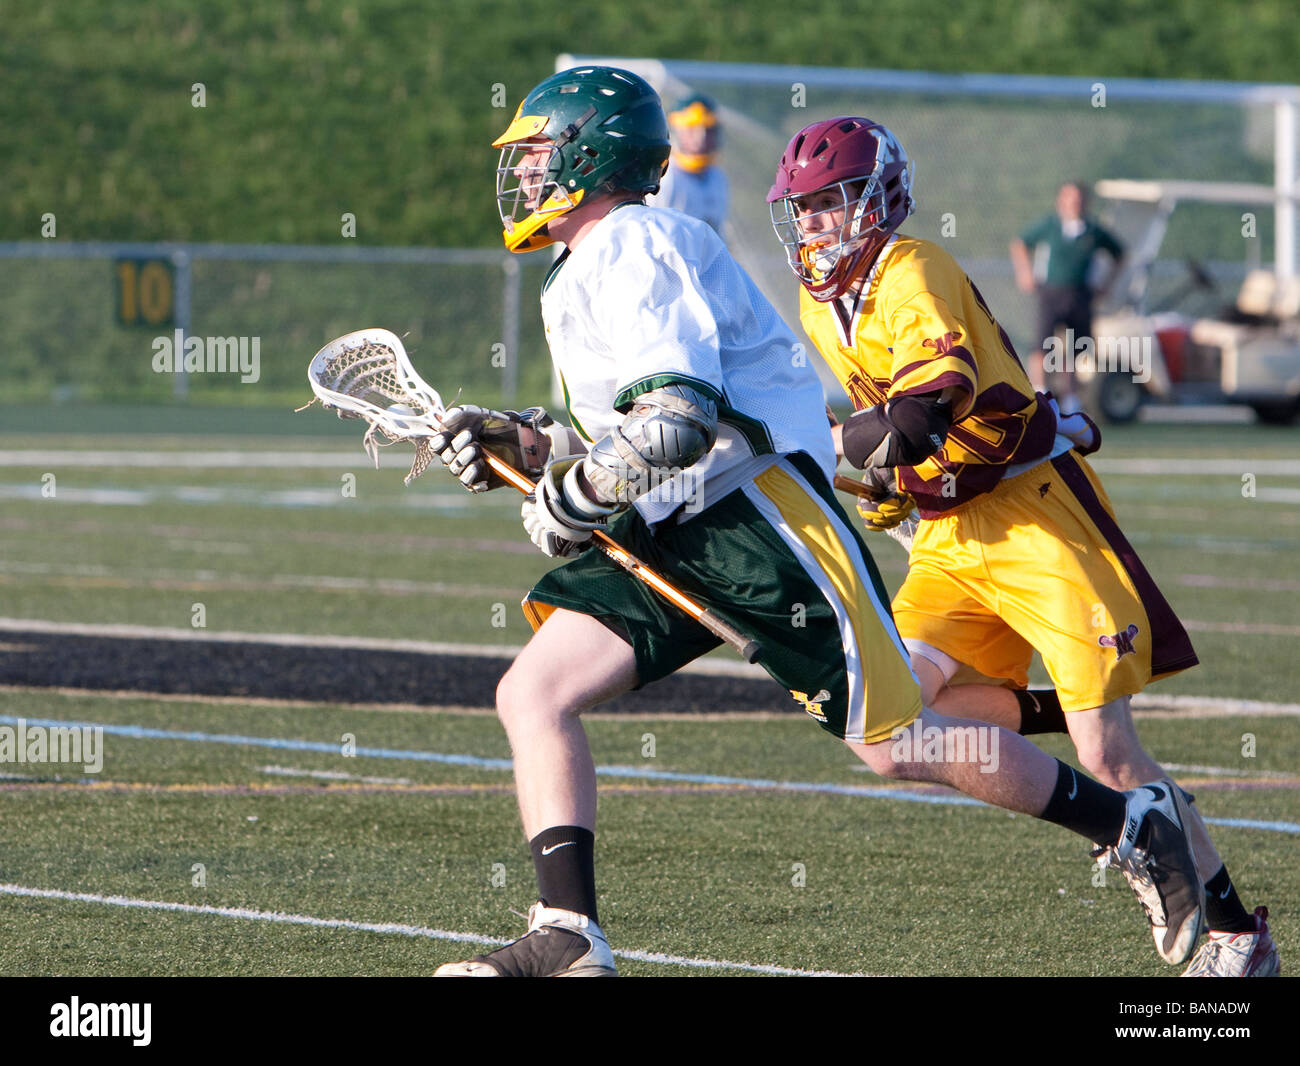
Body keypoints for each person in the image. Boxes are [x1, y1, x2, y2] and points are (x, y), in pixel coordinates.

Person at [429, 68, 1204, 978]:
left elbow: (677, 418)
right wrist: (531, 442)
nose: (522, 176)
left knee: (898, 742)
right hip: (678, 517)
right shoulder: (589, 263)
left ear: (589, 158)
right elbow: (633, 427)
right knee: (533, 693)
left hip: (759, 516)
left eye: (537, 155)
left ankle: (1129, 822)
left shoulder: (633, 243)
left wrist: (573, 495)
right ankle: (568, 932)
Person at [767, 116, 1278, 978]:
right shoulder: (825, 309)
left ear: (877, 199)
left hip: (1033, 520)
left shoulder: (911, 266)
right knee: (887, 730)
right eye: (803, 208)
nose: (814, 223)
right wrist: (902, 487)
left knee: (1107, 754)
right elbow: (915, 441)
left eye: (830, 203)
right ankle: (1129, 811)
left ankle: (1234, 934)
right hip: (952, 541)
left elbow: (929, 401)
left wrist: (846, 452)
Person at [1010, 182, 1126, 414]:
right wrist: (1025, 273)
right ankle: (1040, 393)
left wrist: (1106, 285)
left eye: (1078, 199)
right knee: (1042, 345)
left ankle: (1071, 398)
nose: (1074, 203)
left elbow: (1120, 254)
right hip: (1051, 293)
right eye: (1069, 198)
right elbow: (1019, 243)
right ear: (1061, 200)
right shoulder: (1050, 226)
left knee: (1074, 349)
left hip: (1080, 295)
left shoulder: (1093, 231)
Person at [645, 93, 729, 234]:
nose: (701, 137)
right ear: (675, 132)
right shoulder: (664, 176)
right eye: (691, 130)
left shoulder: (717, 177)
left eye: (708, 130)